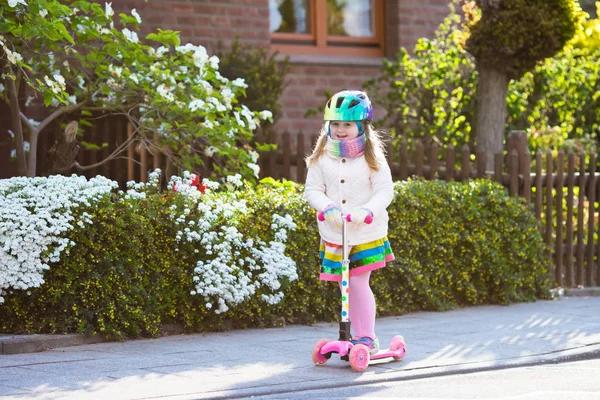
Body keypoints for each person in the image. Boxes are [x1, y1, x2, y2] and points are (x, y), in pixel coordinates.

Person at [304, 89, 395, 355]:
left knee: (357, 282)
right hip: (335, 232)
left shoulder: (372, 158)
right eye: (335, 124)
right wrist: (327, 207)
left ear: (361, 126)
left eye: (347, 124)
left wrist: (367, 210)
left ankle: (366, 338)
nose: (341, 130)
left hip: (365, 232)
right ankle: (351, 338)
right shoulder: (321, 157)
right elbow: (312, 190)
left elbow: (384, 190)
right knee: (344, 285)